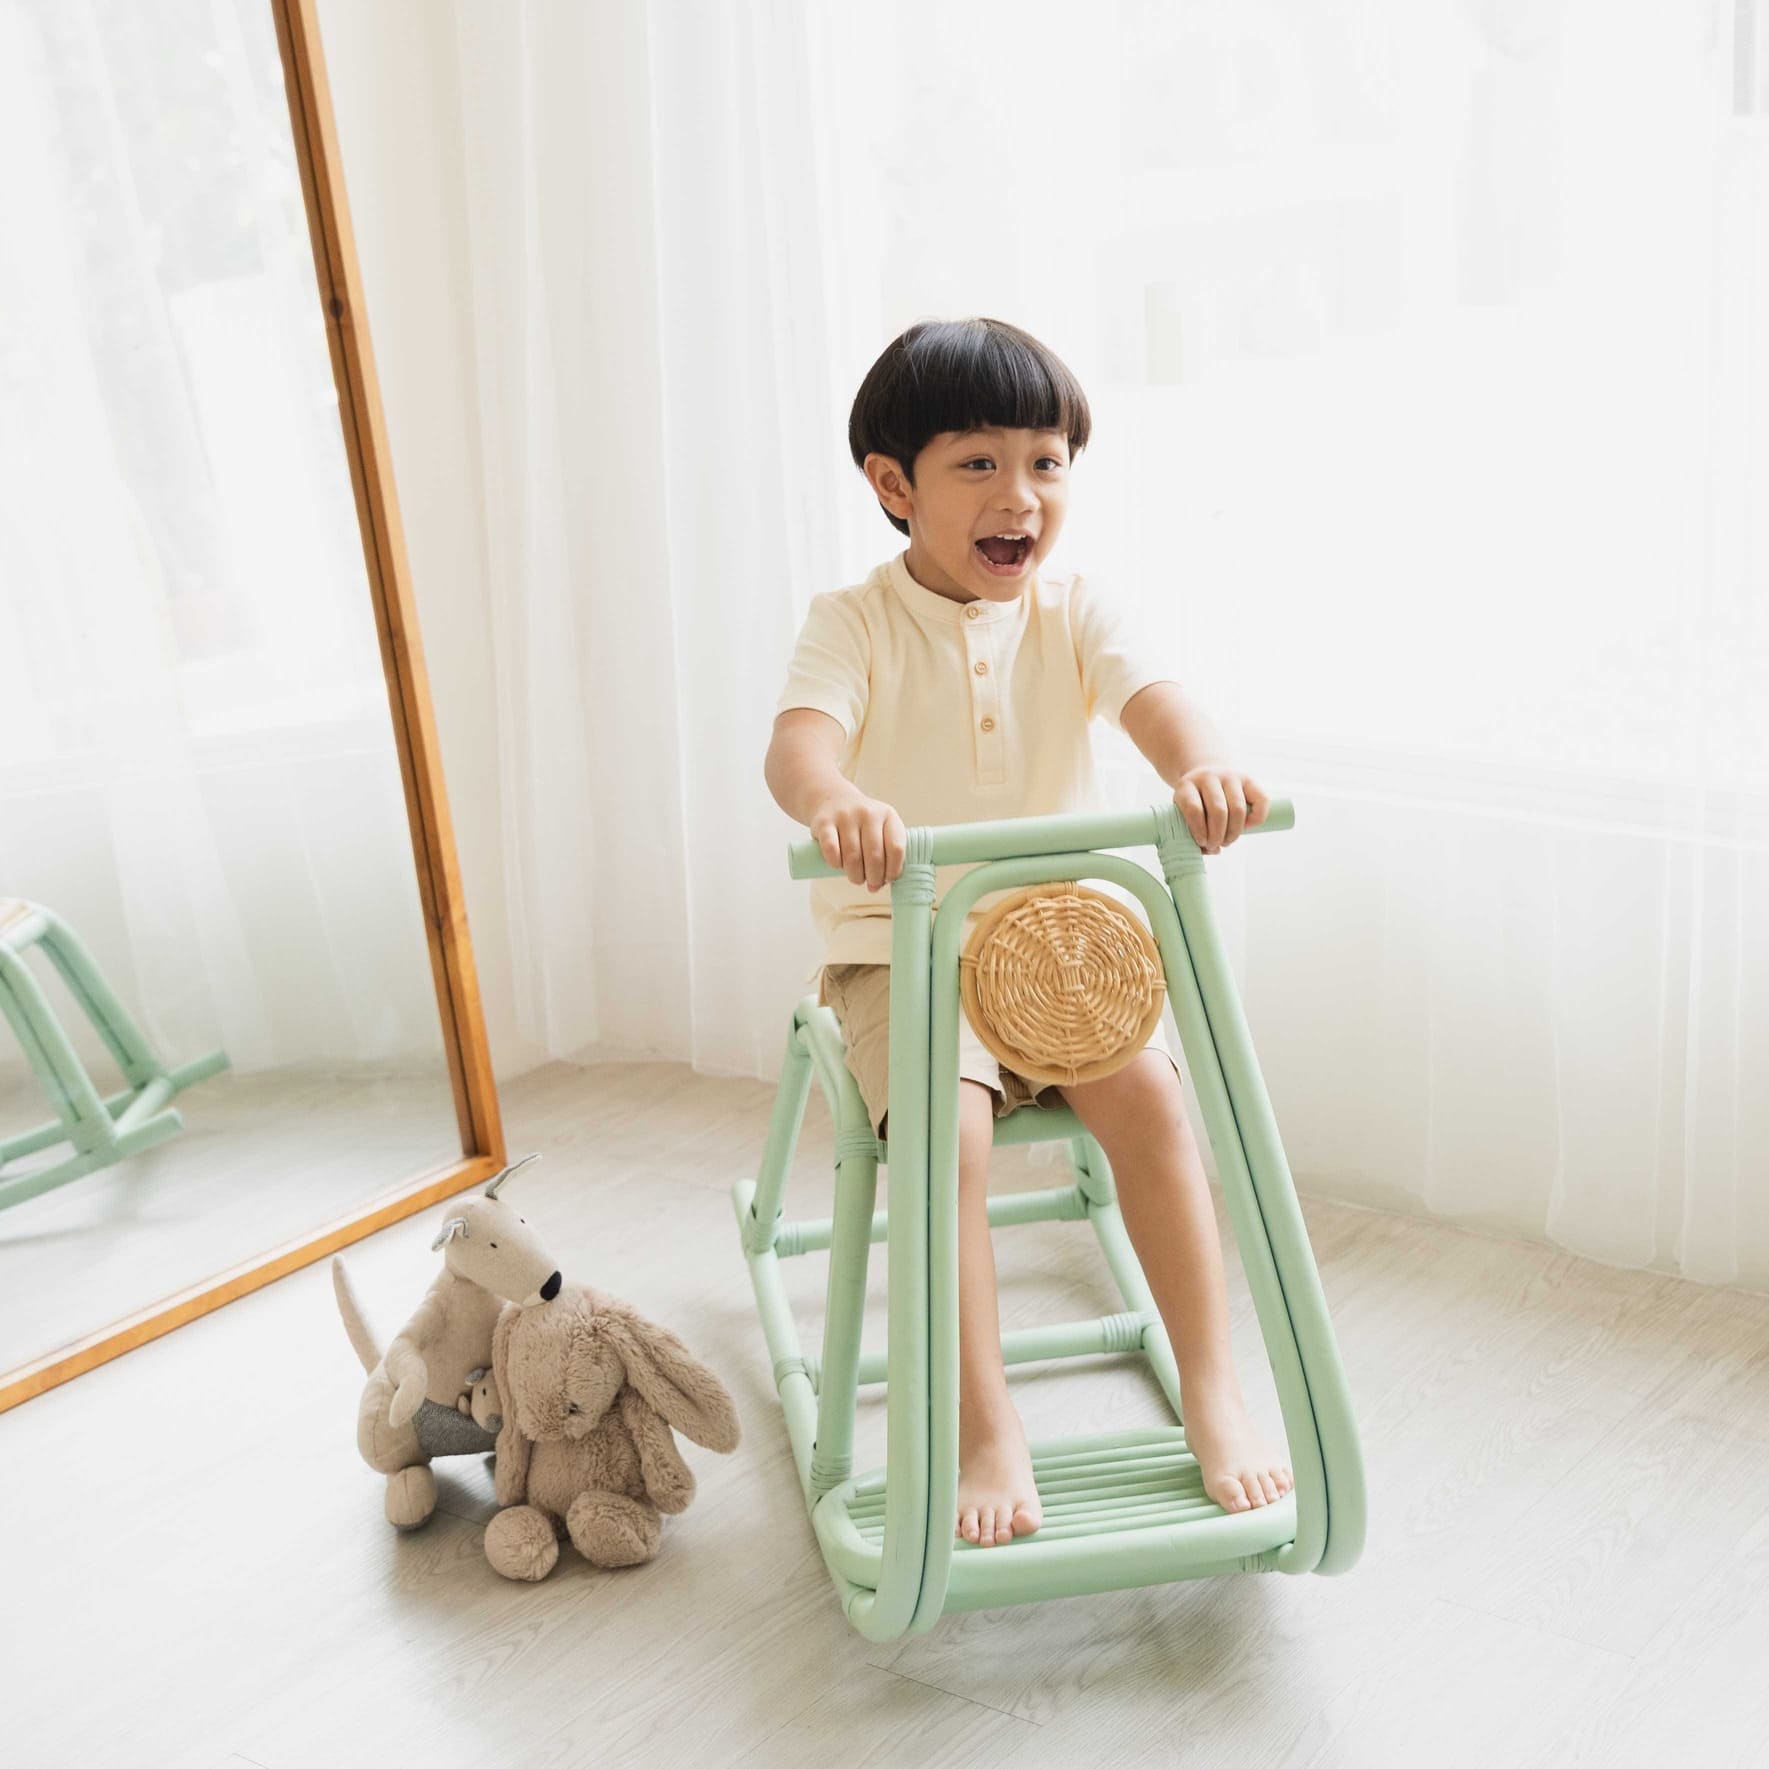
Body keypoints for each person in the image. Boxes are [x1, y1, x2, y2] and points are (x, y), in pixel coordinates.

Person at [764, 316, 1292, 1549]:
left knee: (1157, 1108)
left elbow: (1155, 702)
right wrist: (834, 800)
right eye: (978, 465)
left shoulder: (1073, 611)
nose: (1021, 496)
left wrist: (1202, 764)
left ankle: (1211, 1386)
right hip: (904, 946)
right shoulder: (851, 621)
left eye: (1046, 463)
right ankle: (981, 1419)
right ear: (893, 486)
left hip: (1060, 948)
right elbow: (798, 744)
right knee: (943, 1136)